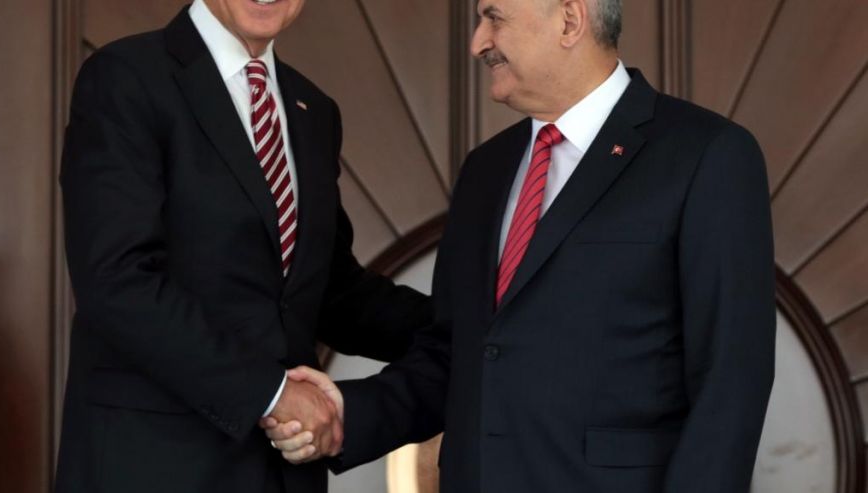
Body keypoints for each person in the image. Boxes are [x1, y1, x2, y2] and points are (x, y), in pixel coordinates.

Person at [265, 0, 776, 491]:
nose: (477, 42)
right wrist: (346, 415)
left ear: (570, 20)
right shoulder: (486, 170)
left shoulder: (706, 155)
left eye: (494, 18)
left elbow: (731, 380)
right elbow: (459, 353)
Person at [55, 0, 431, 492]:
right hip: (153, 463)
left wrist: (477, 327)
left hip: (281, 472)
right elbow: (117, 279)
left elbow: (326, 290)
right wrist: (271, 395)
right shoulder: (125, 76)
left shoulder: (313, 109)